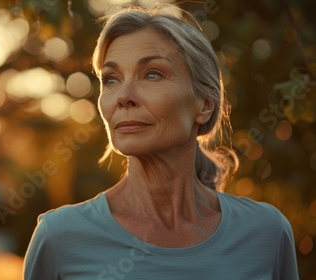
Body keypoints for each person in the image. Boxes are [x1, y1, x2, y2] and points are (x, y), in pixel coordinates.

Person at [24, 4, 299, 280]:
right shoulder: (59, 237)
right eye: (111, 79)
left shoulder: (267, 232)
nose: (123, 96)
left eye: (152, 74)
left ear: (204, 104)